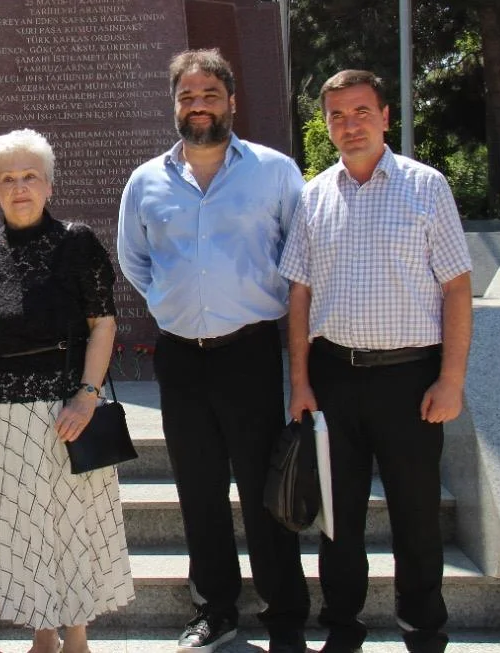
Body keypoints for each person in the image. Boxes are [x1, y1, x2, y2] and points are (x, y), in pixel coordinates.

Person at [116, 49, 310, 653]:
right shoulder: (146, 181)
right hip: (180, 356)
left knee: (262, 490)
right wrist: (170, 300)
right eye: (187, 96)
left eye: (209, 95)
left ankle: (284, 617)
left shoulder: (275, 172)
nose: (197, 106)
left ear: (232, 101)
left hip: (249, 352)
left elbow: (301, 256)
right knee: (198, 489)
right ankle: (215, 609)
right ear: (174, 105)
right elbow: (133, 259)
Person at [279, 70, 472, 653]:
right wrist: (300, 382)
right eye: (337, 115)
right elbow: (299, 294)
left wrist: (451, 379)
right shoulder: (314, 195)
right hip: (334, 379)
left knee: (417, 516)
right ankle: (343, 627)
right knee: (339, 520)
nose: (350, 124)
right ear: (326, 125)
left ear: (385, 116)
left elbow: (456, 288)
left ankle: (423, 628)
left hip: (411, 380)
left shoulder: (426, 186)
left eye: (361, 111)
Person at [0, 128, 134, 653]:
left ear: (49, 185)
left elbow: (103, 324)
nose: (20, 187)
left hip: (67, 414)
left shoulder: (78, 243)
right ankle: (42, 635)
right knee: (22, 531)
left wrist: (87, 395)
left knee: (74, 526)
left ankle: (76, 636)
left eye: (30, 176)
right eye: (7, 179)